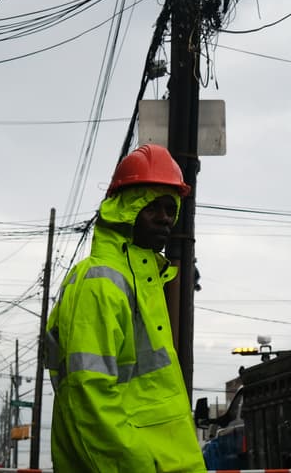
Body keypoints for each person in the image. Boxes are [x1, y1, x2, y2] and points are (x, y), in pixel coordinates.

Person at [45, 143, 205, 473]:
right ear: (125, 211)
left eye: (170, 209)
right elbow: (88, 396)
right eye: (152, 207)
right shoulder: (101, 283)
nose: (164, 218)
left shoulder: (141, 283)